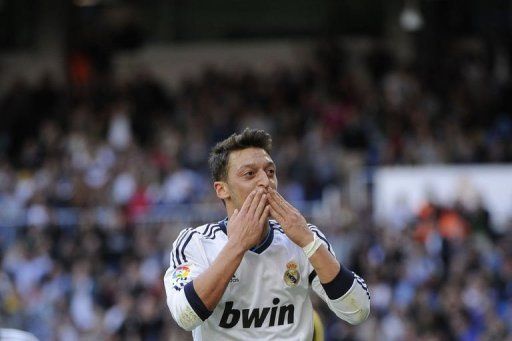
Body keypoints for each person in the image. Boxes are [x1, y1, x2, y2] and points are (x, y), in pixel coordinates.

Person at [164, 128, 370, 340]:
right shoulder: (196, 243)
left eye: (270, 172)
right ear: (222, 189)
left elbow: (358, 311)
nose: (266, 182)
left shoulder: (304, 239)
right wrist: (237, 245)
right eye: (250, 174)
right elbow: (186, 316)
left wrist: (308, 241)